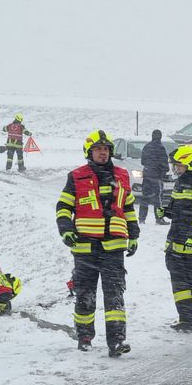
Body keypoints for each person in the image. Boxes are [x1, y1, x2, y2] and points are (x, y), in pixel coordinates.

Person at [56, 129, 140, 356]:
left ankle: (117, 341)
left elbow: (128, 208)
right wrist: (66, 231)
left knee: (115, 296)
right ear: (89, 152)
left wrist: (134, 235)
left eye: (105, 149)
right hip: (84, 247)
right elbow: (63, 207)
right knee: (85, 295)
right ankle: (84, 338)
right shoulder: (76, 176)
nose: (103, 153)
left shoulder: (122, 176)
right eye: (98, 150)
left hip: (113, 248)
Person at [156, 144, 192, 332]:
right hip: (176, 240)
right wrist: (166, 211)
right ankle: (187, 319)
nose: (176, 168)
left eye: (179, 165)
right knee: (179, 282)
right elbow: (176, 210)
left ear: (189, 163)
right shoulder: (180, 183)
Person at [139, 129, 169, 224]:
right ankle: (159, 218)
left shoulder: (147, 147)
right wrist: (164, 171)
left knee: (145, 198)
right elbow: (164, 163)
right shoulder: (161, 148)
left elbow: (142, 161)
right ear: (160, 137)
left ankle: (142, 218)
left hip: (147, 175)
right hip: (157, 177)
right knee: (158, 199)